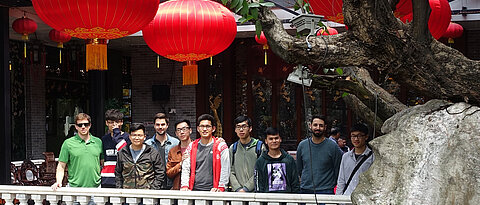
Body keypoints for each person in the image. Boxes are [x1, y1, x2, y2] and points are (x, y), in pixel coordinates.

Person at [51, 113, 103, 190]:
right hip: (74, 189)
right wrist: (58, 181)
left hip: (96, 188)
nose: (83, 127)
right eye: (80, 125)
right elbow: (61, 165)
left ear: (90, 125)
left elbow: (103, 163)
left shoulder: (98, 142)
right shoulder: (68, 143)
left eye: (86, 124)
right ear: (76, 127)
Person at [180, 114, 230, 192]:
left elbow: (225, 168)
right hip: (194, 189)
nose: (204, 129)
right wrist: (185, 186)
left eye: (208, 126)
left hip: (214, 190)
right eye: (202, 126)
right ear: (198, 129)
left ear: (213, 129)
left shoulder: (220, 146)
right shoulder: (192, 146)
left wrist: (221, 187)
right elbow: (186, 168)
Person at [296, 115, 343, 194]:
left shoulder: (333, 146)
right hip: (306, 189)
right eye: (315, 125)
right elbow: (299, 168)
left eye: (321, 126)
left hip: (326, 190)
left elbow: (337, 168)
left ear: (325, 127)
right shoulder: (302, 145)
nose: (318, 128)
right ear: (310, 126)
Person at [115, 123, 165, 189]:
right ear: (129, 136)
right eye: (134, 135)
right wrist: (120, 189)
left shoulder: (152, 152)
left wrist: (153, 189)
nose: (137, 138)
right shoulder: (123, 152)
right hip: (127, 193)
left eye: (139, 135)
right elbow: (118, 173)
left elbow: (160, 173)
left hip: (146, 194)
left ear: (144, 137)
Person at [254, 127, 299, 193]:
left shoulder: (289, 160)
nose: (274, 141)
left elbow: (295, 183)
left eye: (276, 138)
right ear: (266, 141)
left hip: (287, 200)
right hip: (267, 200)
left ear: (280, 139)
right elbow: (259, 185)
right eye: (271, 139)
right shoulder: (260, 162)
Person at [336, 123, 374, 195]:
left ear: (366, 137)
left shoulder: (372, 157)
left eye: (359, 136)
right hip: (347, 197)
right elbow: (341, 180)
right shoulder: (346, 156)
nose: (356, 139)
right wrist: (338, 199)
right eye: (353, 136)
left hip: (364, 198)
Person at [229, 116, 265, 192]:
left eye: (244, 126)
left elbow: (260, 170)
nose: (241, 130)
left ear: (250, 128)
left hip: (255, 193)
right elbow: (230, 170)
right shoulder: (233, 148)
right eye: (238, 127)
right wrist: (237, 188)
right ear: (235, 130)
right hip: (237, 193)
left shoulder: (259, 147)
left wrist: (246, 188)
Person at [145, 113, 179, 189]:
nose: (160, 127)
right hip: (153, 184)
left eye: (163, 124)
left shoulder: (175, 143)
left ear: (167, 125)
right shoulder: (147, 144)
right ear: (154, 126)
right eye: (157, 124)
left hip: (171, 184)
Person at [100, 109, 130, 188]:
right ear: (107, 123)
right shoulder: (104, 139)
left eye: (117, 122)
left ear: (122, 122)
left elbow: (125, 153)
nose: (114, 125)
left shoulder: (128, 138)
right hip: (107, 179)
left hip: (124, 179)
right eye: (111, 122)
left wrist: (117, 133)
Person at [166, 120, 193, 190]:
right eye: (178, 130)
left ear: (190, 130)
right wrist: (180, 164)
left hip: (195, 188)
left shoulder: (197, 148)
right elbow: (169, 173)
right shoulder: (173, 151)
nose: (182, 132)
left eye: (184, 129)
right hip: (178, 188)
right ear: (176, 133)